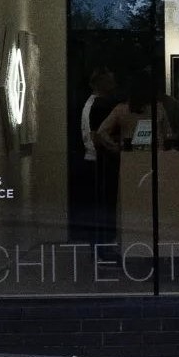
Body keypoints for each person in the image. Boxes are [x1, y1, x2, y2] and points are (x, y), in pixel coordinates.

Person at [78, 66, 118, 245]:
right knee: (102, 205)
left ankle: (99, 245)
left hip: (93, 159)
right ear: (101, 83)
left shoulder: (90, 103)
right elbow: (96, 136)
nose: (114, 84)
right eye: (110, 80)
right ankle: (102, 244)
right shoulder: (99, 105)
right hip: (98, 161)